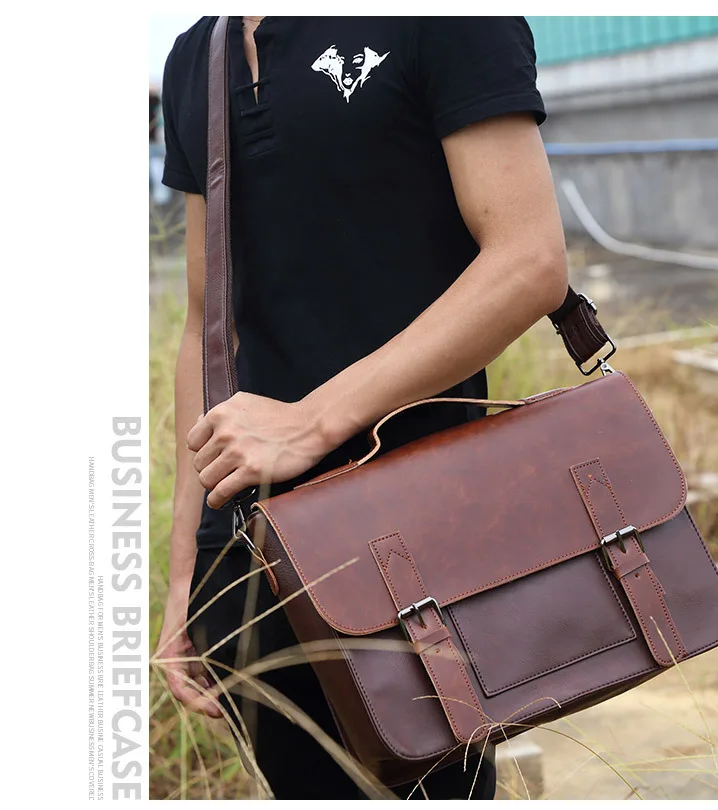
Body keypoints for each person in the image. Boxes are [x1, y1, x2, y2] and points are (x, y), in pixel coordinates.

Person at [157, 15, 568, 800]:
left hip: (416, 541)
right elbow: (207, 327)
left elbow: (529, 260)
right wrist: (188, 575)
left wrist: (309, 422)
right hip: (249, 557)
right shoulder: (195, 56)